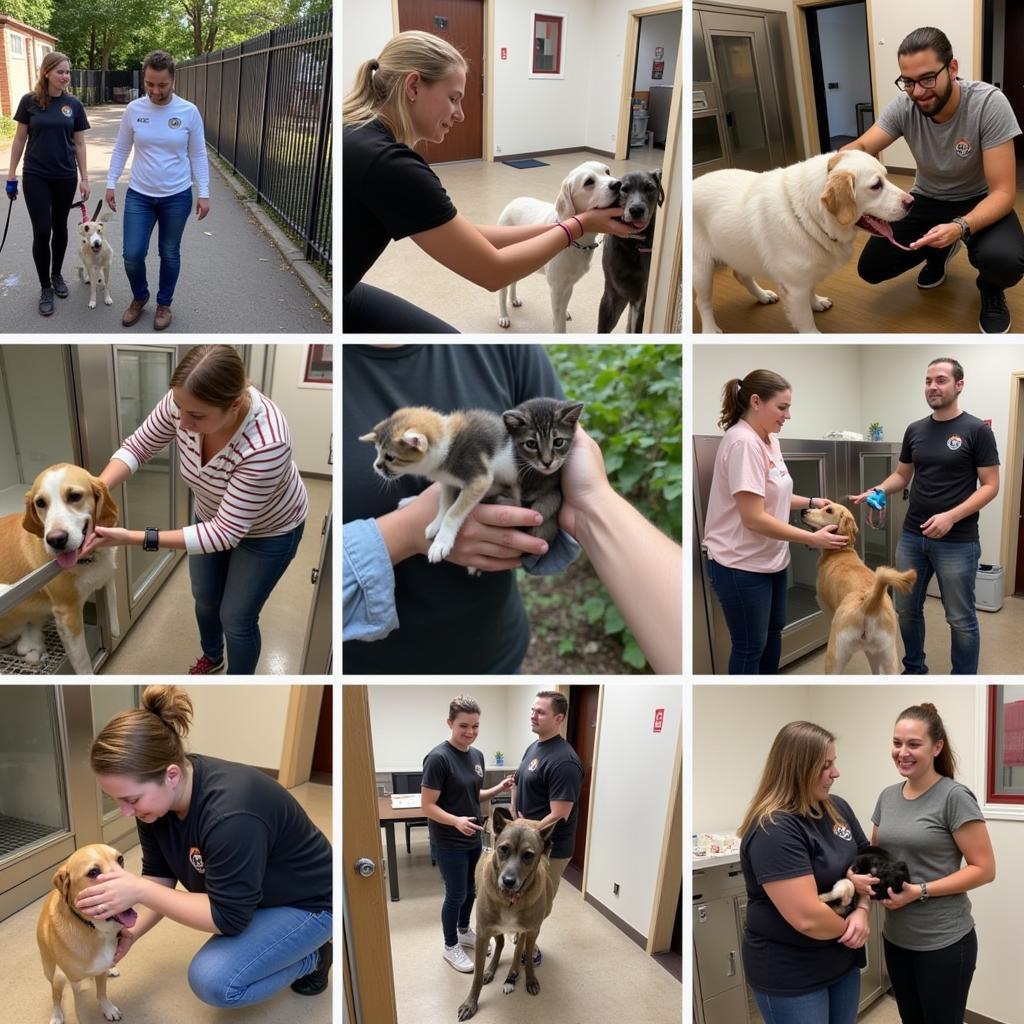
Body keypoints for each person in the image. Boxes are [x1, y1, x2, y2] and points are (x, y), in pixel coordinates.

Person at [342, 31, 644, 332]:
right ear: (413, 86)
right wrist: (580, 226)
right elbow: (493, 272)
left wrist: (558, 226)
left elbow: (468, 234)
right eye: (453, 99)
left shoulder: (357, 132)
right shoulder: (392, 165)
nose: (460, 114)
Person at [76, 686, 332, 1007]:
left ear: (170, 775)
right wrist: (131, 932)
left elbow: (228, 918)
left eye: (131, 800)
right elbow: (160, 874)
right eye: (117, 801)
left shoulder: (231, 814)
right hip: (254, 896)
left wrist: (138, 891)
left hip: (309, 903)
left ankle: (314, 957)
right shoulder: (157, 800)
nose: (127, 812)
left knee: (215, 982)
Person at [81, 344, 308, 674]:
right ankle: (212, 657)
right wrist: (95, 492)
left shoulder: (267, 443)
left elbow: (225, 534)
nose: (182, 423)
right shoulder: (184, 401)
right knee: (204, 596)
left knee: (237, 617)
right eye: (180, 409)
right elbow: (139, 446)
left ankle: (238, 683)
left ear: (235, 404)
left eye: (197, 416)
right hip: (212, 513)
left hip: (269, 530)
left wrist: (131, 536)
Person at [341, 343, 565, 674]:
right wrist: (408, 530)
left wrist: (448, 522)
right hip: (378, 668)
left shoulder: (507, 352)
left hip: (497, 655)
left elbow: (486, 480)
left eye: (387, 458)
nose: (380, 467)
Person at [842, 26, 1024, 333]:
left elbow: (1004, 192)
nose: (918, 91)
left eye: (927, 79)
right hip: (927, 198)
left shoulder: (989, 104)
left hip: (980, 199)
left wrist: (960, 226)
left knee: (1006, 262)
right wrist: (831, 166)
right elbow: (860, 146)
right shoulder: (905, 105)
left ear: (952, 68)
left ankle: (990, 289)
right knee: (872, 269)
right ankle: (937, 253)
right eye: (908, 82)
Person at [851, 357, 999, 674]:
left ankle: (963, 677)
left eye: (941, 380)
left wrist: (951, 517)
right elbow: (902, 475)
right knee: (906, 609)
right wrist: (879, 489)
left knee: (959, 617)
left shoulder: (976, 430)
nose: (933, 386)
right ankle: (914, 667)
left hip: (957, 541)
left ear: (959, 385)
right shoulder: (915, 429)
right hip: (912, 537)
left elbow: (990, 486)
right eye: (928, 380)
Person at [703, 370, 849, 675]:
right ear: (756, 402)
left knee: (772, 635)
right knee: (749, 647)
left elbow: (773, 493)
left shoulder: (770, 440)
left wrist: (811, 502)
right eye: (782, 407)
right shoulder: (743, 443)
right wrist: (813, 538)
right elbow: (754, 517)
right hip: (739, 564)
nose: (788, 415)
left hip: (772, 559)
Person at [739, 721, 877, 1024]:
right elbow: (807, 917)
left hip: (841, 957)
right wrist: (852, 929)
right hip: (792, 969)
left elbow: (867, 857)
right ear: (798, 768)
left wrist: (863, 910)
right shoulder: (775, 828)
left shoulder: (835, 806)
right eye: (825, 765)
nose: (835, 773)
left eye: (834, 763)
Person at [871, 703, 995, 1024]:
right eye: (897, 743)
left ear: (937, 747)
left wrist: (919, 891)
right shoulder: (887, 796)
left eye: (914, 744)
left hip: (944, 942)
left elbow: (984, 868)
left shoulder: (953, 797)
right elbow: (876, 855)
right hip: (896, 938)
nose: (902, 752)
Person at [105, 49, 210, 331]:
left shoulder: (188, 112)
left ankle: (164, 303)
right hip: (140, 194)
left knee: (169, 252)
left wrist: (204, 192)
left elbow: (198, 154)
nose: (154, 90)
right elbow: (122, 148)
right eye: (149, 84)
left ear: (173, 80)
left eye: (161, 85)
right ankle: (141, 296)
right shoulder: (134, 109)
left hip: (176, 196)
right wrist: (111, 182)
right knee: (133, 254)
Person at [420, 694, 515, 973]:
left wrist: (499, 789)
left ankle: (463, 930)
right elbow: (427, 806)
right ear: (449, 723)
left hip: (474, 836)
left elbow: (474, 794)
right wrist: (455, 821)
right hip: (449, 840)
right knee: (456, 894)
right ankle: (450, 946)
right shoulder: (438, 758)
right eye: (463, 726)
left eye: (475, 726)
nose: (470, 732)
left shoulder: (477, 755)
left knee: (472, 890)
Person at [6, 51, 90, 316]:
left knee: (60, 227)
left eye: (68, 72)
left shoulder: (74, 104)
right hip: (36, 175)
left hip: (65, 175)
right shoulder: (29, 102)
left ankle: (56, 275)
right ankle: (45, 287)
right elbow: (19, 139)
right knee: (42, 231)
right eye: (60, 72)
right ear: (46, 72)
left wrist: (85, 178)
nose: (66, 77)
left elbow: (79, 143)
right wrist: (11, 175)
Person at [510, 690, 583, 967]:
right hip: (525, 842)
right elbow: (518, 779)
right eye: (533, 710)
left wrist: (526, 835)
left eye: (540, 712)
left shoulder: (564, 761)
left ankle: (529, 945)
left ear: (559, 718)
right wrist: (516, 819)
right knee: (518, 894)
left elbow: (559, 814)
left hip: (549, 849)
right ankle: (520, 934)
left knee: (539, 904)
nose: (533, 715)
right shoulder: (535, 746)